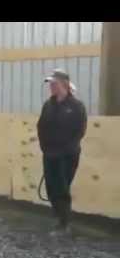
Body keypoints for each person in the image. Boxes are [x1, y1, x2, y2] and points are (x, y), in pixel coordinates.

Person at [37, 69, 88, 236]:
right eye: (50, 84)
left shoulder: (76, 107)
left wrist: (65, 149)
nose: (51, 87)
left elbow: (79, 131)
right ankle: (60, 218)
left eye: (54, 84)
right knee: (51, 187)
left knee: (61, 187)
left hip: (67, 154)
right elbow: (41, 127)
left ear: (64, 85)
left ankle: (63, 223)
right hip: (50, 153)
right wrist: (45, 147)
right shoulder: (48, 105)